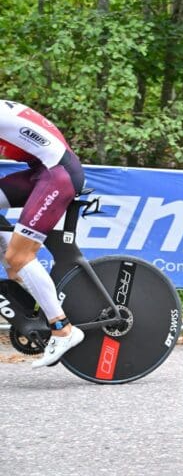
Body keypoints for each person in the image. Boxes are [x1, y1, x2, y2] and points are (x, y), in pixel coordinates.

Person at [0, 100, 85, 367]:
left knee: (20, 256)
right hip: (43, 171)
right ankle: (14, 269)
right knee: (13, 259)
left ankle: (63, 329)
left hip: (57, 176)